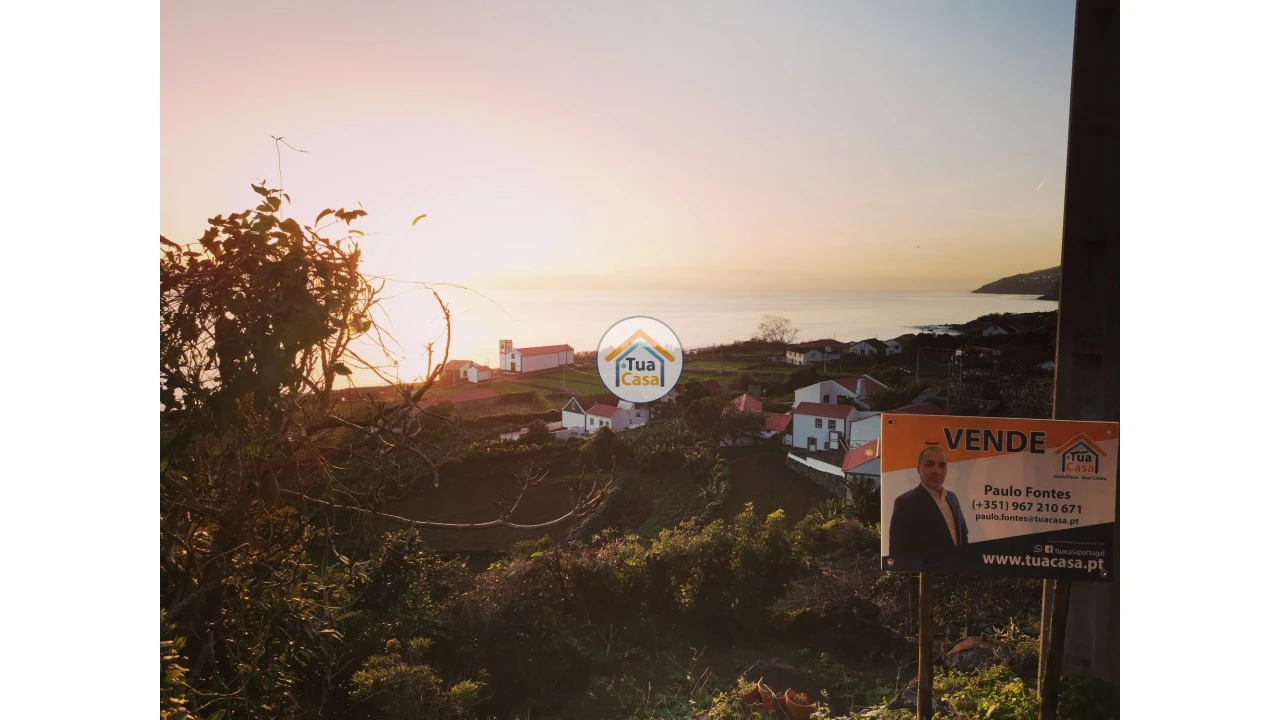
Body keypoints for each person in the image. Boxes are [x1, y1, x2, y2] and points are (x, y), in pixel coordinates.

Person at [888, 445, 969, 556]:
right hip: (926, 572)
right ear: (918, 469)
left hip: (956, 570)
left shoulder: (952, 498)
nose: (936, 471)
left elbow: (963, 534)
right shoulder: (905, 502)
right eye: (929, 464)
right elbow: (898, 550)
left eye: (942, 466)